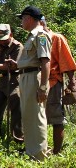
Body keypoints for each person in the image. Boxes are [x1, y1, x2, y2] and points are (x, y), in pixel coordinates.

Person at [6, 6, 51, 161]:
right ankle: (31, 151)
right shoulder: (31, 36)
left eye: (23, 18)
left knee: (36, 116)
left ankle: (39, 155)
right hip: (25, 76)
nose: (21, 22)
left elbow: (45, 62)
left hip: (34, 78)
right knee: (28, 116)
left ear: (30, 18)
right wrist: (17, 65)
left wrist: (43, 87)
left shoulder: (41, 35)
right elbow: (30, 60)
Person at [40, 16, 76, 154]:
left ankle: (56, 151)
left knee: (56, 118)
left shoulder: (57, 38)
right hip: (38, 83)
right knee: (39, 118)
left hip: (53, 83)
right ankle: (42, 148)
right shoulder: (38, 38)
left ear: (41, 23)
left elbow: (68, 63)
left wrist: (72, 84)